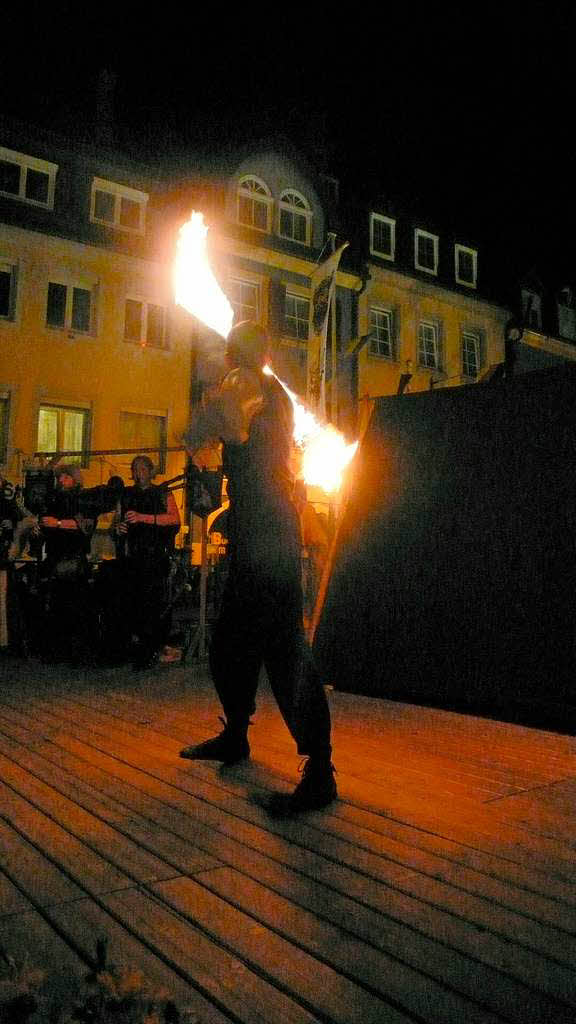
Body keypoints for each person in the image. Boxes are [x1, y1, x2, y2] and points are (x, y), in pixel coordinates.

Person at [179, 320, 337, 815]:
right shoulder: (270, 392)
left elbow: (200, 431)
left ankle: (320, 772)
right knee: (231, 641)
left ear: (233, 355)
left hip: (267, 531)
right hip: (262, 530)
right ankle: (236, 736)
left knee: (283, 648)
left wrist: (205, 404)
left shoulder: (243, 384)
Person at [113, 455, 180, 668]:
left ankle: (153, 648)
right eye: (135, 469)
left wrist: (144, 518)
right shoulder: (126, 495)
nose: (138, 473)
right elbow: (117, 520)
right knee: (133, 603)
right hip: (133, 555)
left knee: (154, 605)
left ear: (151, 471)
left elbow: (174, 519)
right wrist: (118, 528)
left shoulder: (162, 493)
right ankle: (134, 646)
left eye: (143, 469)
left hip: (156, 556)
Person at [37, 463, 96, 660]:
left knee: (74, 604)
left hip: (73, 558)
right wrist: (43, 528)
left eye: (65, 477)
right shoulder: (56, 498)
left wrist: (58, 523)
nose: (61, 480)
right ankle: (59, 648)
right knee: (58, 604)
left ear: (74, 478)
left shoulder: (82, 499)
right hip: (56, 555)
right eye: (59, 477)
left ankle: (75, 650)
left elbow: (85, 525)